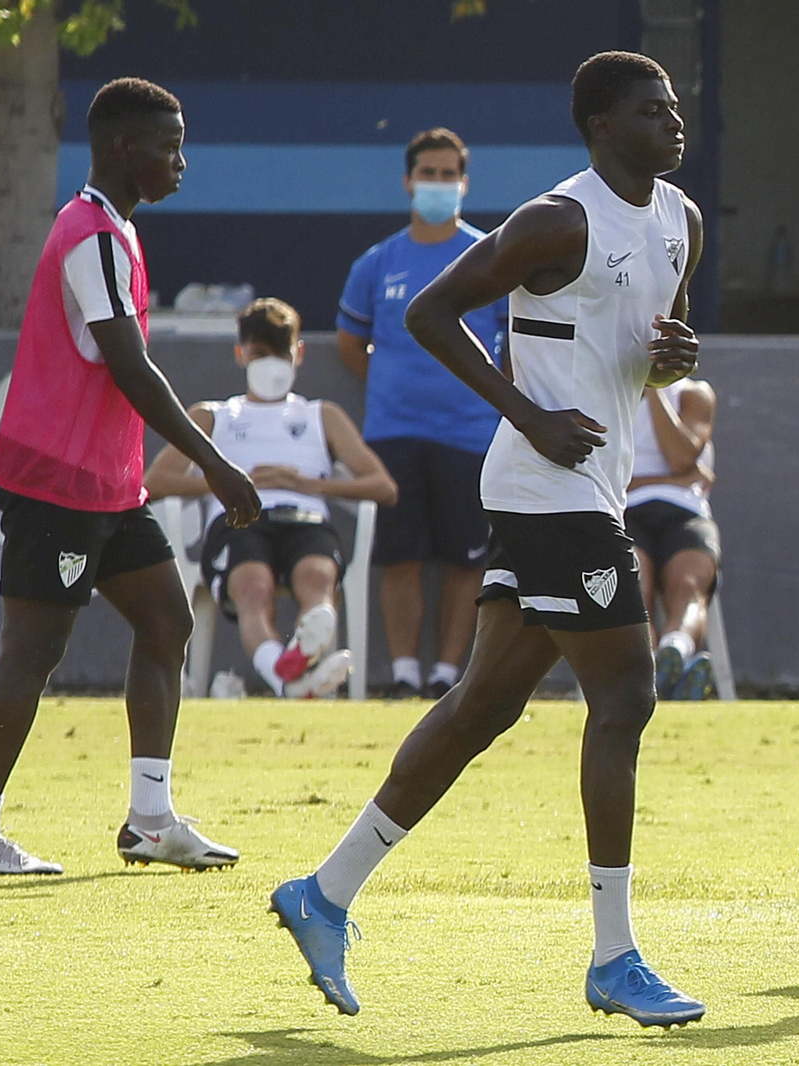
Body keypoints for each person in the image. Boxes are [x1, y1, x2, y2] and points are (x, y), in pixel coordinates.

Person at [271, 52, 707, 1027]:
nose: (673, 122)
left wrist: (676, 358)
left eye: (675, 107)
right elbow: (429, 312)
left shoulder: (681, 220)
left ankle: (324, 892)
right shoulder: (557, 218)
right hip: (545, 480)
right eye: (651, 110)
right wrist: (526, 412)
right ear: (600, 127)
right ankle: (615, 956)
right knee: (626, 694)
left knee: (480, 709)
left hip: (591, 479)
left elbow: (648, 356)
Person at [0, 78, 260, 876]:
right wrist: (213, 463)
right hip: (58, 479)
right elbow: (131, 368)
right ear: (125, 148)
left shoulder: (112, 227)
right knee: (34, 650)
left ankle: (151, 821)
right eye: (169, 145)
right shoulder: (93, 236)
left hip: (107, 482)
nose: (181, 160)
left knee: (168, 622)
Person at [144, 298, 399, 698]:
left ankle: (292, 666)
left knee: (317, 576)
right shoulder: (214, 415)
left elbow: (383, 486)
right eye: (260, 353)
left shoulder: (321, 415)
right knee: (252, 585)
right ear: (239, 354)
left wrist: (312, 484)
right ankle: (289, 675)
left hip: (305, 518)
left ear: (298, 354)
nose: (271, 364)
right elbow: (155, 480)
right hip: (238, 521)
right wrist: (231, 482)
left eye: (280, 353)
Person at [336, 128, 507, 700]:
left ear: (465, 182)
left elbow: (514, 345)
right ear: (408, 181)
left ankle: (446, 674)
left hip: (473, 435)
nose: (437, 184)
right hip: (392, 433)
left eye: (447, 174)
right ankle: (405, 671)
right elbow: (350, 344)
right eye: (426, 174)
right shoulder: (376, 262)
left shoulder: (491, 257)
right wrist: (394, 388)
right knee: (400, 555)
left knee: (466, 560)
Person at [625, 378, 720, 700]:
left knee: (689, 585)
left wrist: (654, 391)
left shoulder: (695, 394)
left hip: (685, 513)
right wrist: (671, 479)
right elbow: (602, 476)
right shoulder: (607, 394)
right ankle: (652, 677)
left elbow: (681, 455)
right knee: (636, 587)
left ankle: (674, 652)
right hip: (624, 513)